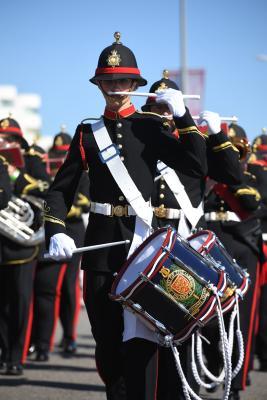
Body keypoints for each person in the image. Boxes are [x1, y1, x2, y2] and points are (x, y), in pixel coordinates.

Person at [44, 32, 208, 400]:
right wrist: (55, 228)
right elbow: (59, 190)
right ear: (99, 85)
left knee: (142, 344)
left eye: (122, 81)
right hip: (101, 252)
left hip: (142, 249)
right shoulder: (88, 133)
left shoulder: (150, 128)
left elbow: (197, 166)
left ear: (135, 83)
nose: (115, 88)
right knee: (106, 344)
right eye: (108, 81)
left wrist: (182, 117)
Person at [142, 71, 244, 399]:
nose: (163, 114)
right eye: (158, 109)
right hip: (145, 241)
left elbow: (232, 174)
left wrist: (216, 134)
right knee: (144, 332)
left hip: (183, 242)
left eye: (167, 108)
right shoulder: (139, 140)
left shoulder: (193, 143)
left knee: (186, 330)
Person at [202, 123, 262, 400]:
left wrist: (232, 182)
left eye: (237, 150)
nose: (232, 155)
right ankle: (210, 367)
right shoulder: (204, 172)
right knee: (207, 314)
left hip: (242, 244)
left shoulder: (257, 173)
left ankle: (236, 383)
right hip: (211, 240)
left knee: (242, 318)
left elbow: (257, 207)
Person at [30, 130, 90, 361]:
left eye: (61, 155)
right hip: (48, 234)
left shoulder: (81, 173)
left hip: (73, 233)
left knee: (68, 288)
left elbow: (82, 203)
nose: (58, 160)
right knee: (46, 287)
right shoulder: (44, 173)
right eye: (55, 154)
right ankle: (42, 341)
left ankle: (70, 337)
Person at [0, 116, 50, 375]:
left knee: (19, 301)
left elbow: (45, 186)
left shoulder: (31, 160)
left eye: (9, 139)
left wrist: (15, 175)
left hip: (22, 243)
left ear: (19, 142)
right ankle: (2, 353)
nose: (4, 143)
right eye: (2, 139)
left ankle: (15, 356)